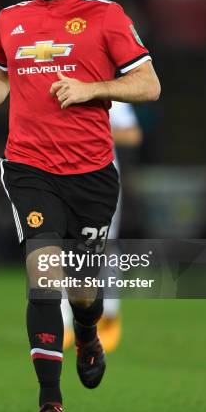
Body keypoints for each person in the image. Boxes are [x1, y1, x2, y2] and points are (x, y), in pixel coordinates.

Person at [0, 0, 160, 412]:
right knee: (43, 276)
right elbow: (0, 72)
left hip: (92, 175)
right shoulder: (10, 19)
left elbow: (148, 84)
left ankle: (89, 333)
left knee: (83, 291)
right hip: (29, 168)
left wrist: (92, 89)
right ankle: (51, 404)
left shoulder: (105, 16)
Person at [62, 101, 143, 352]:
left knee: (103, 246)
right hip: (61, 175)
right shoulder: (53, 82)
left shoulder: (110, 92)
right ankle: (64, 323)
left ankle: (108, 315)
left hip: (101, 179)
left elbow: (132, 134)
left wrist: (88, 129)